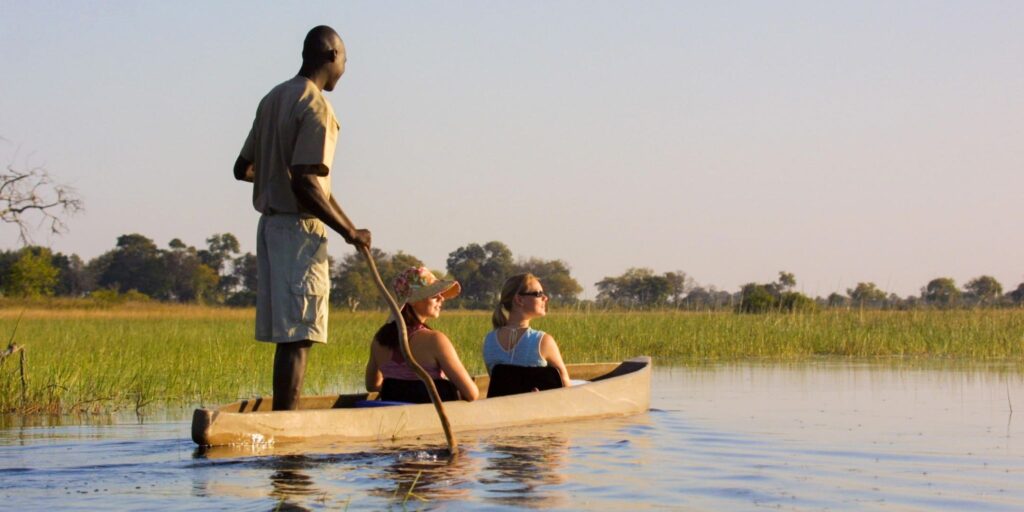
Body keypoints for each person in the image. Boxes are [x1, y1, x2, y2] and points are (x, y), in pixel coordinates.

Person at [233, 25, 372, 411]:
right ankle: (287, 427)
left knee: (289, 336)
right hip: (297, 230)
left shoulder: (273, 98)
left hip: (270, 228)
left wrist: (352, 226)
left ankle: (282, 418)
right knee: (300, 334)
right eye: (345, 59)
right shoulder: (316, 106)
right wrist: (348, 231)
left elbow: (243, 168)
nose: (344, 68)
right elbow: (307, 185)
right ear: (331, 56)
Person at [365, 267, 479, 403]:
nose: (441, 298)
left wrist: (401, 387)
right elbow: (471, 394)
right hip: (433, 418)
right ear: (413, 301)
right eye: (434, 295)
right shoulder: (435, 340)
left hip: (396, 417)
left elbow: (372, 385)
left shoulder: (380, 339)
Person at [483, 273, 571, 396]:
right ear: (519, 300)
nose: (545, 298)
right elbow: (566, 387)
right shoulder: (543, 341)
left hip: (503, 410)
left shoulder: (489, 341)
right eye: (538, 294)